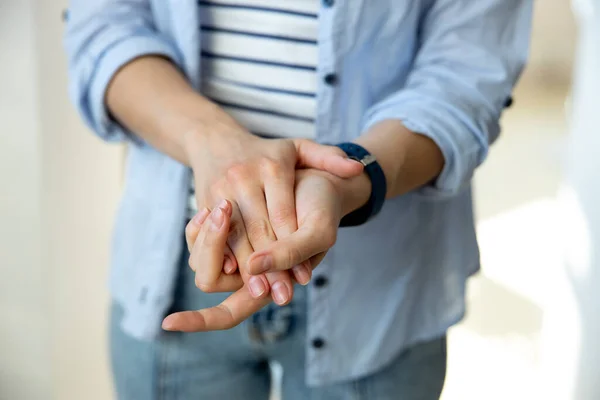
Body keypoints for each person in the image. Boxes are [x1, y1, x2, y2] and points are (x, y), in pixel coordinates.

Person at [65, 0, 532, 398]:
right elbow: (103, 24)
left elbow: (467, 70)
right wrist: (216, 145)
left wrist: (351, 179)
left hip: (381, 285)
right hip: (174, 268)